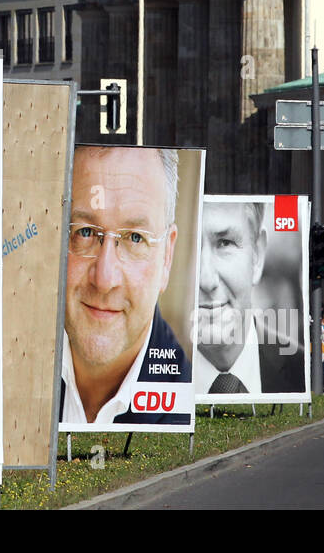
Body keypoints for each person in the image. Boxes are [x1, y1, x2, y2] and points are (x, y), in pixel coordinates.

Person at [61, 146, 191, 425]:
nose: (105, 280)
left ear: (166, 257)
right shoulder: (6, 370)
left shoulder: (185, 410)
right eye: (85, 232)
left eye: (134, 238)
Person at [195, 201, 303, 395]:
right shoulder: (140, 375)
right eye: (189, 245)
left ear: (257, 255)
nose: (206, 280)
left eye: (225, 243)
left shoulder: (300, 369)